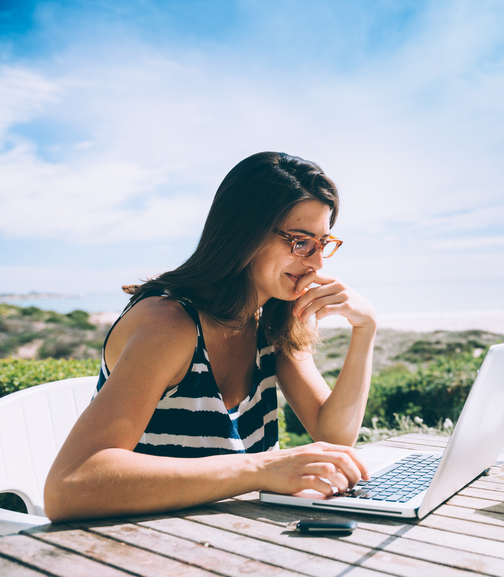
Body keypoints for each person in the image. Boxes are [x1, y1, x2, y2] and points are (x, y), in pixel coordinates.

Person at [44, 152, 376, 522]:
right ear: (243, 235)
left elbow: (333, 435)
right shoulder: (169, 325)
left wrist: (365, 330)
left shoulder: (269, 321)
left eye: (321, 243)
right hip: (142, 546)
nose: (316, 263)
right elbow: (70, 486)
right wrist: (260, 469)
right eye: (300, 242)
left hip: (234, 541)